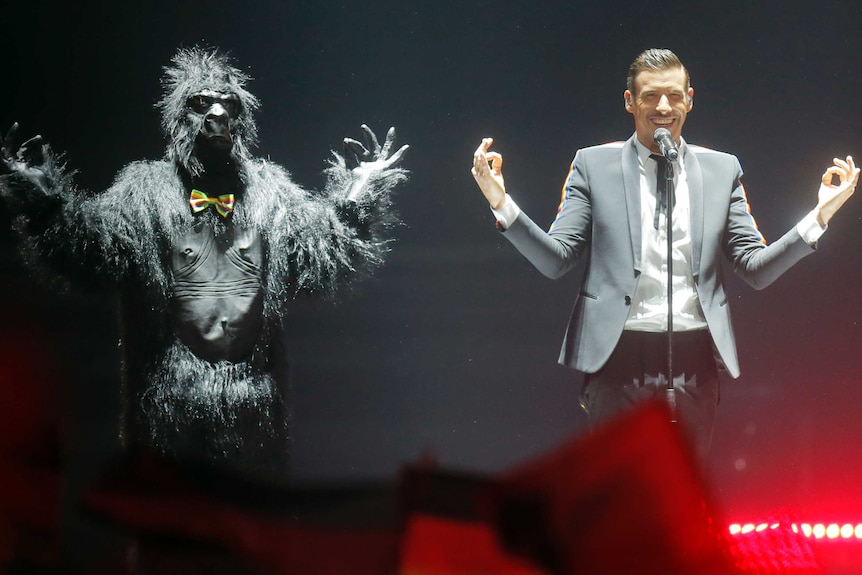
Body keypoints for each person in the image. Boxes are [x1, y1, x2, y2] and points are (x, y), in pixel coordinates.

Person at [470, 48, 858, 458]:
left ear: (689, 98)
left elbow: (754, 267)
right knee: (620, 494)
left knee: (682, 499)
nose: (663, 107)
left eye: (674, 96)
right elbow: (556, 258)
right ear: (629, 101)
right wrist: (502, 203)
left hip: (694, 361)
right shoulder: (593, 165)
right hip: (617, 358)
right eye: (651, 96)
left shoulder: (721, 169)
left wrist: (819, 215)